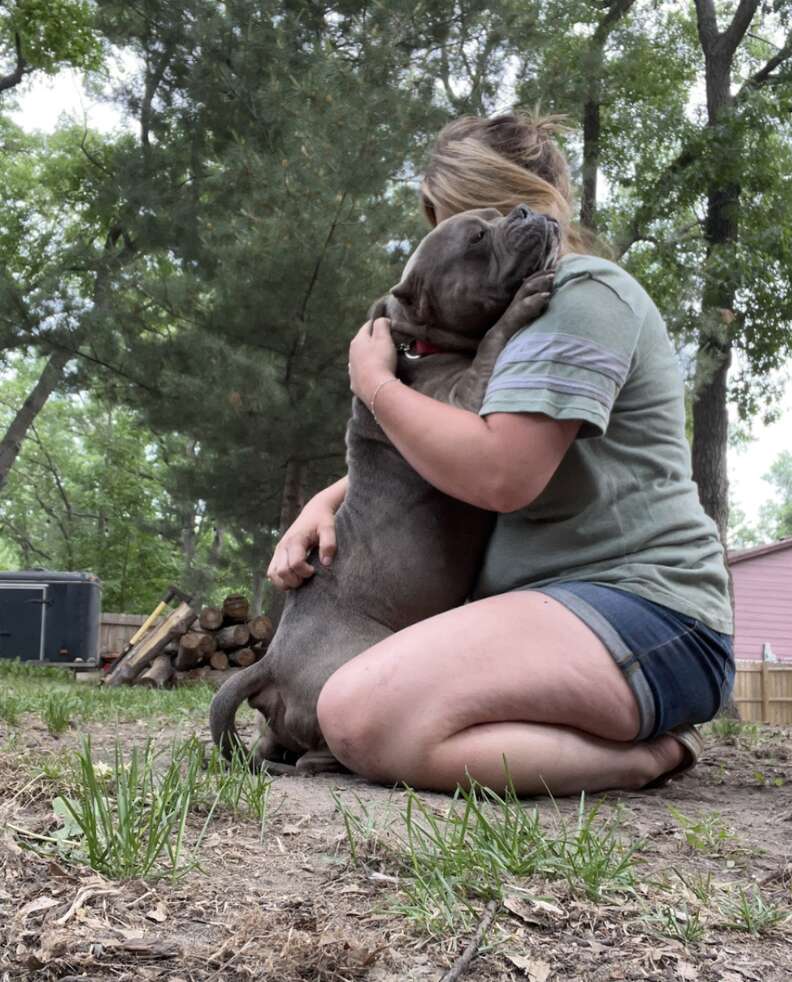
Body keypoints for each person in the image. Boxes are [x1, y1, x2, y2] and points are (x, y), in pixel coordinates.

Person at [266, 112, 735, 796]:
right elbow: (461, 447)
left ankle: (648, 758)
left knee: (360, 713)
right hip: (559, 613)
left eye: (448, 225)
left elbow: (501, 471)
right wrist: (329, 498)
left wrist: (373, 384)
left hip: (648, 613)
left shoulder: (581, 295)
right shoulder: (517, 316)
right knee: (358, 711)